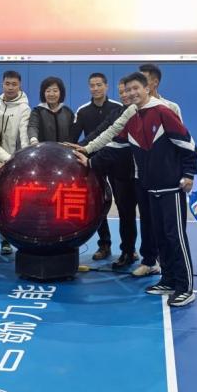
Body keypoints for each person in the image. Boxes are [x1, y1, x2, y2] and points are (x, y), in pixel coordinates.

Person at [76, 72, 197, 307]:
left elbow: (188, 144)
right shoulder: (132, 117)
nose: (131, 93)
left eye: (135, 89)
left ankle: (185, 288)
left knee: (175, 238)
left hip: (171, 188)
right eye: (127, 90)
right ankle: (168, 280)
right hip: (149, 187)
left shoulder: (163, 112)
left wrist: (188, 174)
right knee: (160, 237)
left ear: (147, 89)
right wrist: (90, 161)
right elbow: (115, 146)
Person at [79, 77, 138, 268]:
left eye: (129, 90)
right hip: (109, 166)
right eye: (122, 92)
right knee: (119, 210)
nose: (126, 95)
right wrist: (81, 148)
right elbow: (101, 132)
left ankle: (145, 254)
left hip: (136, 172)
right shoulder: (116, 113)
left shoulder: (142, 112)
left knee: (140, 214)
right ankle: (121, 249)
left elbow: (115, 142)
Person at [71, 72, 123, 261]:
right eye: (92, 85)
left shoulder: (118, 108)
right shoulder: (83, 110)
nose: (96, 88)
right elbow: (74, 137)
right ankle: (104, 245)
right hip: (93, 164)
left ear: (106, 86)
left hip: (117, 163)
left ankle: (128, 249)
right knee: (98, 205)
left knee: (124, 206)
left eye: (99, 85)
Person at [0, 70, 31, 254]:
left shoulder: (24, 108)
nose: (10, 87)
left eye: (14, 84)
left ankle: (14, 238)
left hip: (13, 162)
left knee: (13, 203)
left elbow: (24, 135)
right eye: (7, 84)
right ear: (2, 84)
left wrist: (23, 158)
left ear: (20, 85)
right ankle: (3, 240)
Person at [27, 77, 75, 144]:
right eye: (48, 91)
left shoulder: (68, 112)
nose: (51, 94)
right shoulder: (37, 111)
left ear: (61, 93)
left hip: (63, 149)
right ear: (43, 93)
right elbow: (33, 126)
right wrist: (34, 140)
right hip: (43, 149)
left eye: (55, 91)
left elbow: (73, 133)